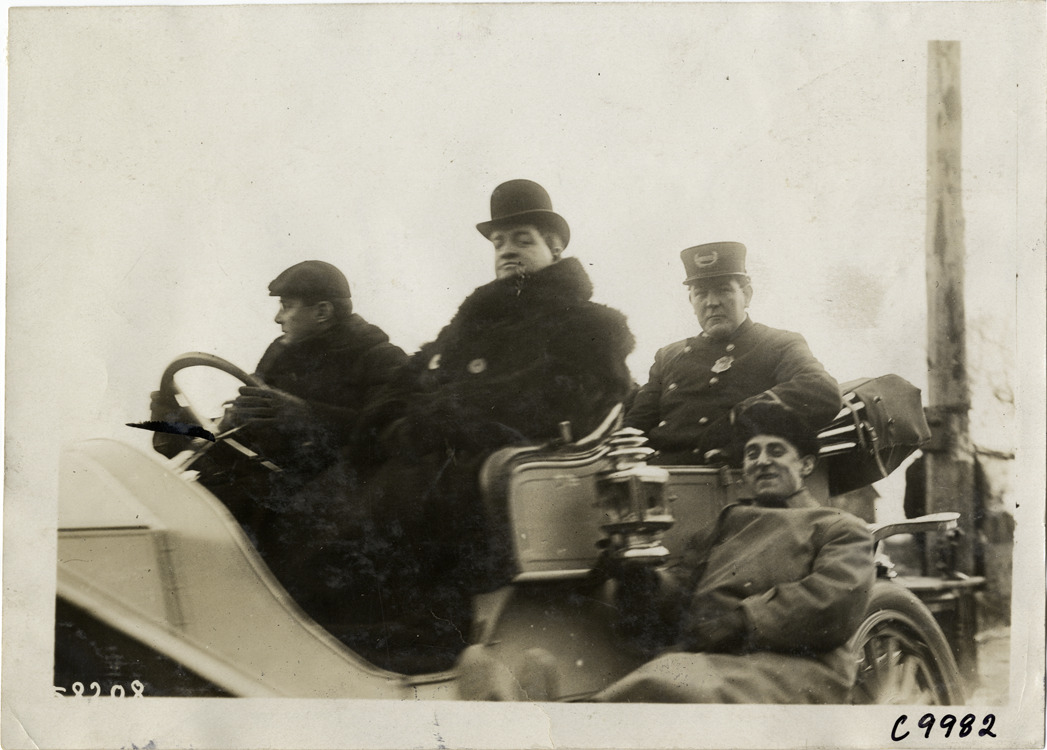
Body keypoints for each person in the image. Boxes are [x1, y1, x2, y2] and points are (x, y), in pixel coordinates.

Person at [312, 178, 636, 673]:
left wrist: (439, 420)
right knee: (328, 495)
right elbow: (410, 377)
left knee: (416, 492)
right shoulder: (474, 320)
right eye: (499, 242)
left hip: (512, 465)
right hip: (441, 453)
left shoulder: (591, 325)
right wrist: (393, 421)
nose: (507, 251)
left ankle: (429, 636)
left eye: (522, 239)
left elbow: (562, 400)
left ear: (555, 247)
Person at [594, 401, 875, 703]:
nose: (762, 461)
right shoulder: (724, 525)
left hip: (797, 666)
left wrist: (742, 621)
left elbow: (832, 601)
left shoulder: (838, 527)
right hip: (713, 661)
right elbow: (681, 589)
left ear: (805, 465)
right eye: (752, 453)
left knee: (659, 687)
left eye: (776, 451)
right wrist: (642, 579)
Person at [148, 260, 408, 518]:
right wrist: (179, 426)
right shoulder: (280, 353)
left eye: (286, 306)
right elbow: (244, 436)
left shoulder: (382, 358)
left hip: (335, 505)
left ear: (322, 311)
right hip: (271, 490)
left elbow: (392, 436)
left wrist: (306, 415)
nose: (277, 318)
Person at [624, 241, 841, 464]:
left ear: (747, 295)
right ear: (691, 301)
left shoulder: (778, 343)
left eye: (723, 290)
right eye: (701, 293)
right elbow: (635, 426)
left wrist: (742, 416)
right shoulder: (668, 356)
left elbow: (822, 391)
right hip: (662, 473)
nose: (711, 303)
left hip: (736, 474)